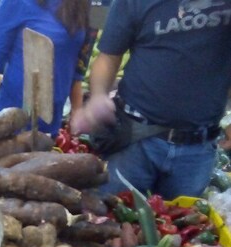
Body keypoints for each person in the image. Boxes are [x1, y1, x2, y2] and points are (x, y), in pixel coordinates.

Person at [71, 0, 231, 199]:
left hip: (197, 148)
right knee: (111, 218)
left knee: (186, 224)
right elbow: (109, 56)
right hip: (136, 140)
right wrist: (98, 95)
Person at [0, 0, 93, 136]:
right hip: (11, 124)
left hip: (50, 125)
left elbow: (77, 66)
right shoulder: (16, 3)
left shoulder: (84, 4)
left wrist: (77, 109)